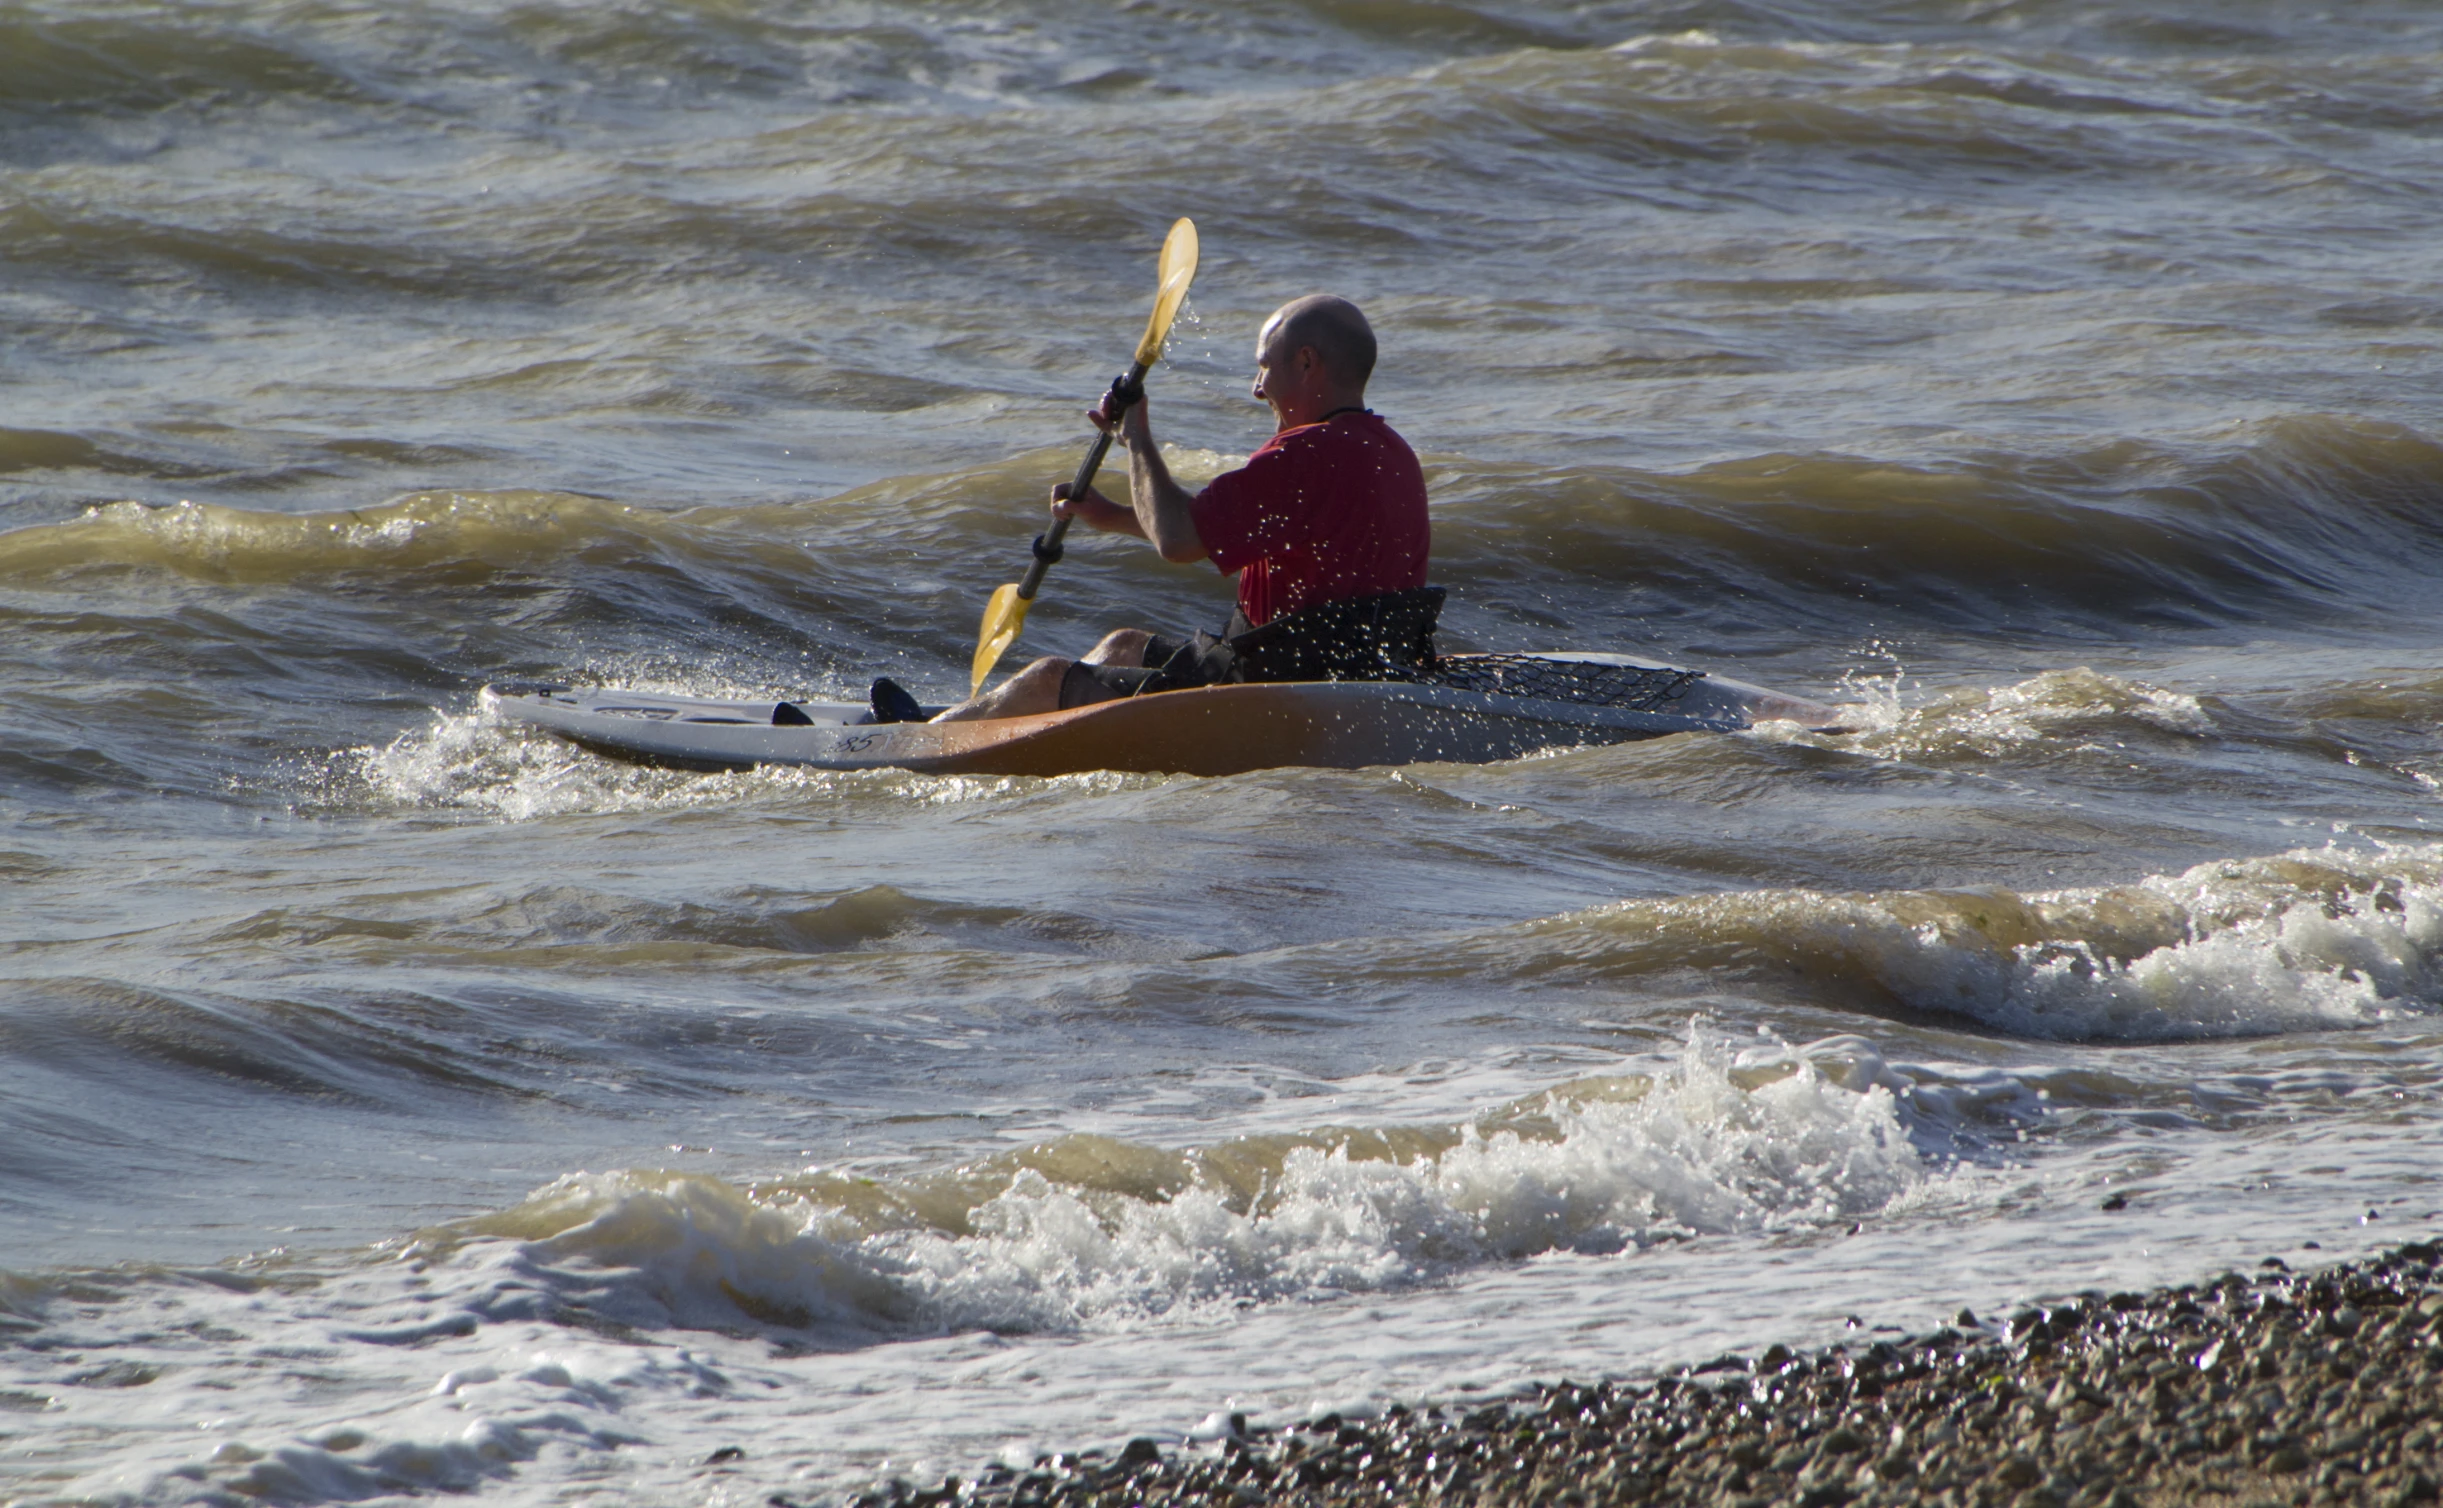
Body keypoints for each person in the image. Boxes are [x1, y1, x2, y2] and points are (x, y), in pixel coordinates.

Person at [875, 294, 1439, 725]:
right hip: (1338, 668)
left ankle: (920, 740)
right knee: (1122, 644)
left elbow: (1177, 541)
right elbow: (1209, 533)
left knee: (1048, 677)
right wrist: (1116, 516)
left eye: (1265, 367)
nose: (1256, 388)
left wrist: (1137, 438)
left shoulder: (1303, 454)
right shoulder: (1388, 450)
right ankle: (970, 720)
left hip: (1274, 685)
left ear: (1308, 363)